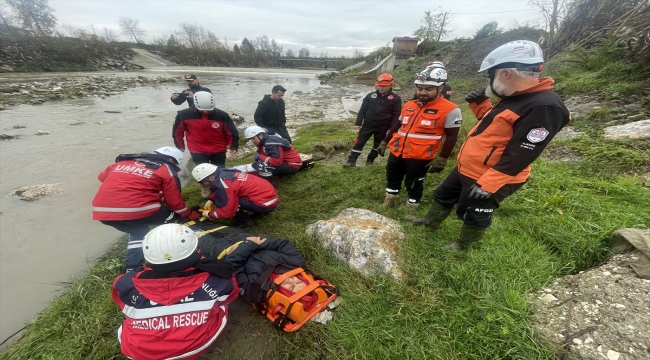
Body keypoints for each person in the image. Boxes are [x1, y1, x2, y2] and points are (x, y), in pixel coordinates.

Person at [405, 40, 571, 251]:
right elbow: (494, 127)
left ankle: (465, 246)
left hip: (491, 175)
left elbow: (521, 153)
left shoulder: (544, 106)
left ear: (506, 73)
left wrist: (490, 183)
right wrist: (480, 104)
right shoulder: (514, 97)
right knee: (444, 194)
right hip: (469, 167)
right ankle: (431, 221)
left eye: (490, 74)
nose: (488, 79)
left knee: (476, 211)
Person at [111, 224, 238, 360]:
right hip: (194, 347)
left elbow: (122, 304)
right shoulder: (218, 276)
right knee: (221, 304)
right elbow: (230, 296)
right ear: (196, 250)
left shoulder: (124, 283)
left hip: (138, 353)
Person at [92, 147, 201, 271]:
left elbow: (102, 177)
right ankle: (168, 249)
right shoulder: (165, 168)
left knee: (138, 232)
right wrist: (187, 213)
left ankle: (132, 268)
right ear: (172, 160)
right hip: (136, 210)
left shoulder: (122, 162)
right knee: (171, 217)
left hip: (102, 211)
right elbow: (174, 201)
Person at [377, 63, 462, 208]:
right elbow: (398, 125)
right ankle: (390, 198)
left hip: (420, 156)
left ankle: (412, 204)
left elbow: (452, 136)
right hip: (397, 152)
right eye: (420, 88)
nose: (423, 92)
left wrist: (442, 158)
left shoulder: (451, 110)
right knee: (392, 177)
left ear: (440, 88)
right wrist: (385, 141)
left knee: (415, 181)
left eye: (428, 89)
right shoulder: (409, 104)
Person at [173, 91, 239, 197]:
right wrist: (180, 146)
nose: (205, 112)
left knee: (219, 169)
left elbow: (231, 131)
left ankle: (220, 186)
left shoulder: (222, 115)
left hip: (218, 148)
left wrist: (234, 145)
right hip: (197, 149)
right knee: (201, 170)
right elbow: (177, 132)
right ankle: (205, 187)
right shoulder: (183, 115)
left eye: (208, 110)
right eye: (202, 109)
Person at [192, 163, 279, 226]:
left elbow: (227, 212)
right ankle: (258, 210)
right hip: (269, 198)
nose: (204, 184)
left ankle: (245, 221)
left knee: (230, 203)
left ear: (210, 178)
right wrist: (211, 200)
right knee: (228, 197)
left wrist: (208, 214)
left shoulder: (222, 183)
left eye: (203, 182)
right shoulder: (226, 173)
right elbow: (228, 190)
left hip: (265, 204)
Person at [343, 73, 402, 167]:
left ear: (391, 84)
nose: (381, 88)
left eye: (384, 86)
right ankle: (351, 160)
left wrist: (391, 128)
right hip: (368, 124)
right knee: (359, 142)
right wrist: (358, 122)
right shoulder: (370, 96)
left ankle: (370, 159)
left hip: (383, 126)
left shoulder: (395, 98)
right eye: (379, 86)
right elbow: (363, 110)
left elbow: (396, 115)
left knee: (377, 145)